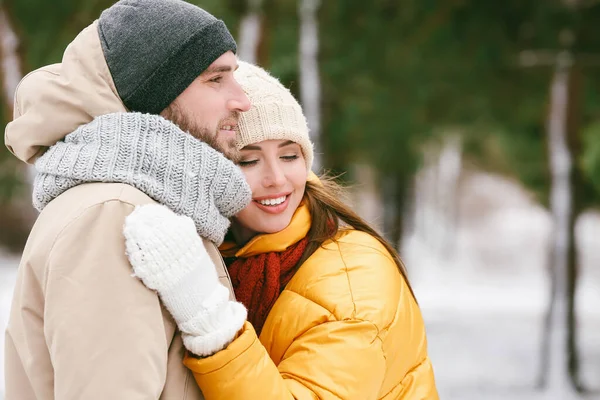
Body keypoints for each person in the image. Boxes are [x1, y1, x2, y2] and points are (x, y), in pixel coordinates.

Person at [124, 61, 439, 399]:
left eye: (290, 156)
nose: (276, 178)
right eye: (248, 160)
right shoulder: (224, 252)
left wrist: (211, 322)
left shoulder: (351, 281)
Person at [3, 0, 253, 399]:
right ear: (154, 91)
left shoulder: (136, 202)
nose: (242, 100)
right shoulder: (114, 216)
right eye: (215, 80)